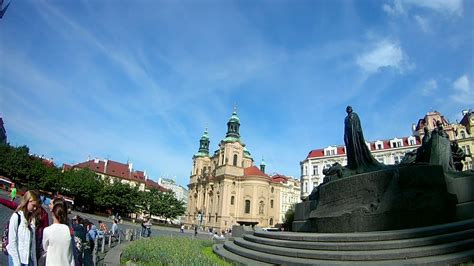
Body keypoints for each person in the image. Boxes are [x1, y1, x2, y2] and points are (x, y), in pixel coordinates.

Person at [6, 190, 41, 266]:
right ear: (28, 201)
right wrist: (16, 263)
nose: (35, 208)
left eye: (36, 207)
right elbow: (12, 243)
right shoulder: (16, 217)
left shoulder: (32, 220)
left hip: (28, 260)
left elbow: (33, 244)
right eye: (33, 205)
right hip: (17, 259)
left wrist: (34, 263)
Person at [344, 106, 381, 171]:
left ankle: (360, 163)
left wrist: (358, 132)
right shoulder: (346, 119)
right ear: (346, 111)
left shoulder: (355, 115)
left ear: (352, 109)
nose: (349, 109)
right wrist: (345, 136)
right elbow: (345, 128)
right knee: (351, 150)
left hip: (355, 135)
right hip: (349, 136)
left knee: (358, 148)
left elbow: (358, 124)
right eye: (347, 109)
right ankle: (353, 164)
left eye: (350, 108)